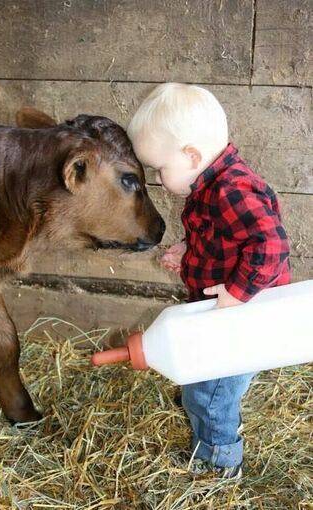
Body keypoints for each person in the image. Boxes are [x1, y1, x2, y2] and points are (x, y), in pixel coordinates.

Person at [127, 83, 290, 479]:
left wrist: (237, 292)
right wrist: (188, 248)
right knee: (207, 383)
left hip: (241, 319)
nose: (159, 180)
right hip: (221, 313)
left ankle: (218, 465)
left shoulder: (232, 190)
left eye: (160, 169)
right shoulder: (210, 185)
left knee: (210, 395)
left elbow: (271, 244)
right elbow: (223, 234)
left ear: (191, 156)